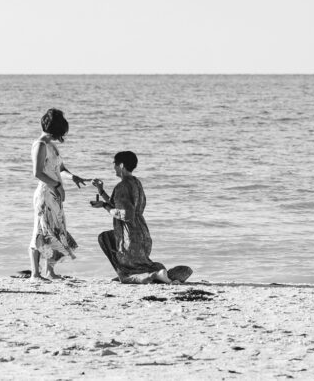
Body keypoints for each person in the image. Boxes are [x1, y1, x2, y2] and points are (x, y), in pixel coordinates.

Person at [90, 151, 192, 284]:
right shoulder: (136, 183)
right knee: (110, 239)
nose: (113, 167)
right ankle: (154, 274)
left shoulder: (122, 186)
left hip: (130, 237)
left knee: (105, 240)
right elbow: (118, 204)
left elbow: (126, 214)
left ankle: (152, 275)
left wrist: (104, 206)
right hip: (142, 233)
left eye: (114, 164)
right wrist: (101, 191)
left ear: (121, 165)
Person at [29, 108, 89, 282]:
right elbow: (37, 173)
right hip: (45, 194)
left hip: (55, 195)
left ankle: (50, 271)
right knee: (40, 231)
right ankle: (35, 274)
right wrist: (56, 185)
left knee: (55, 231)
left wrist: (73, 177)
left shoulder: (51, 145)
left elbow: (60, 169)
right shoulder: (40, 145)